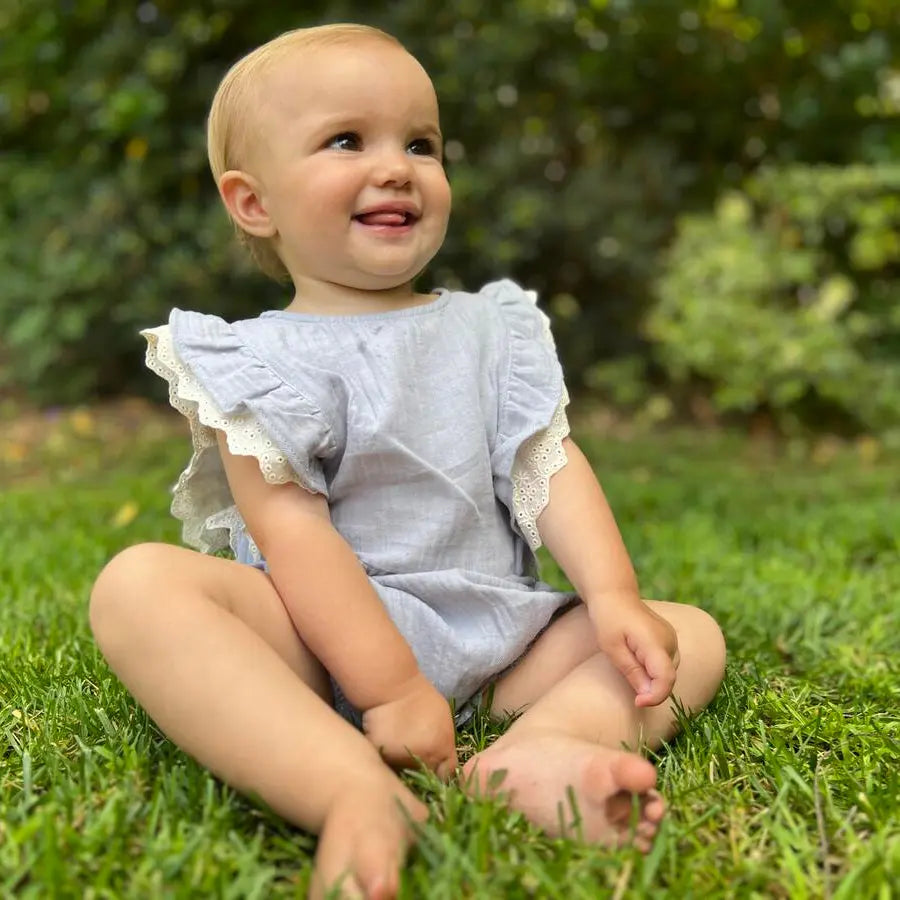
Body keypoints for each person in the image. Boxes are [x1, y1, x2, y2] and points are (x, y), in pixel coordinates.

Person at [89, 22, 726, 900]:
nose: (397, 167)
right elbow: (288, 528)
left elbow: (549, 464)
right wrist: (387, 688)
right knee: (140, 588)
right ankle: (349, 786)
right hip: (317, 648)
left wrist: (613, 598)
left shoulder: (490, 330)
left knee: (685, 633)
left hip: (497, 643)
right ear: (253, 203)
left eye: (420, 144)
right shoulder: (253, 362)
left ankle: (529, 753)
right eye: (347, 140)